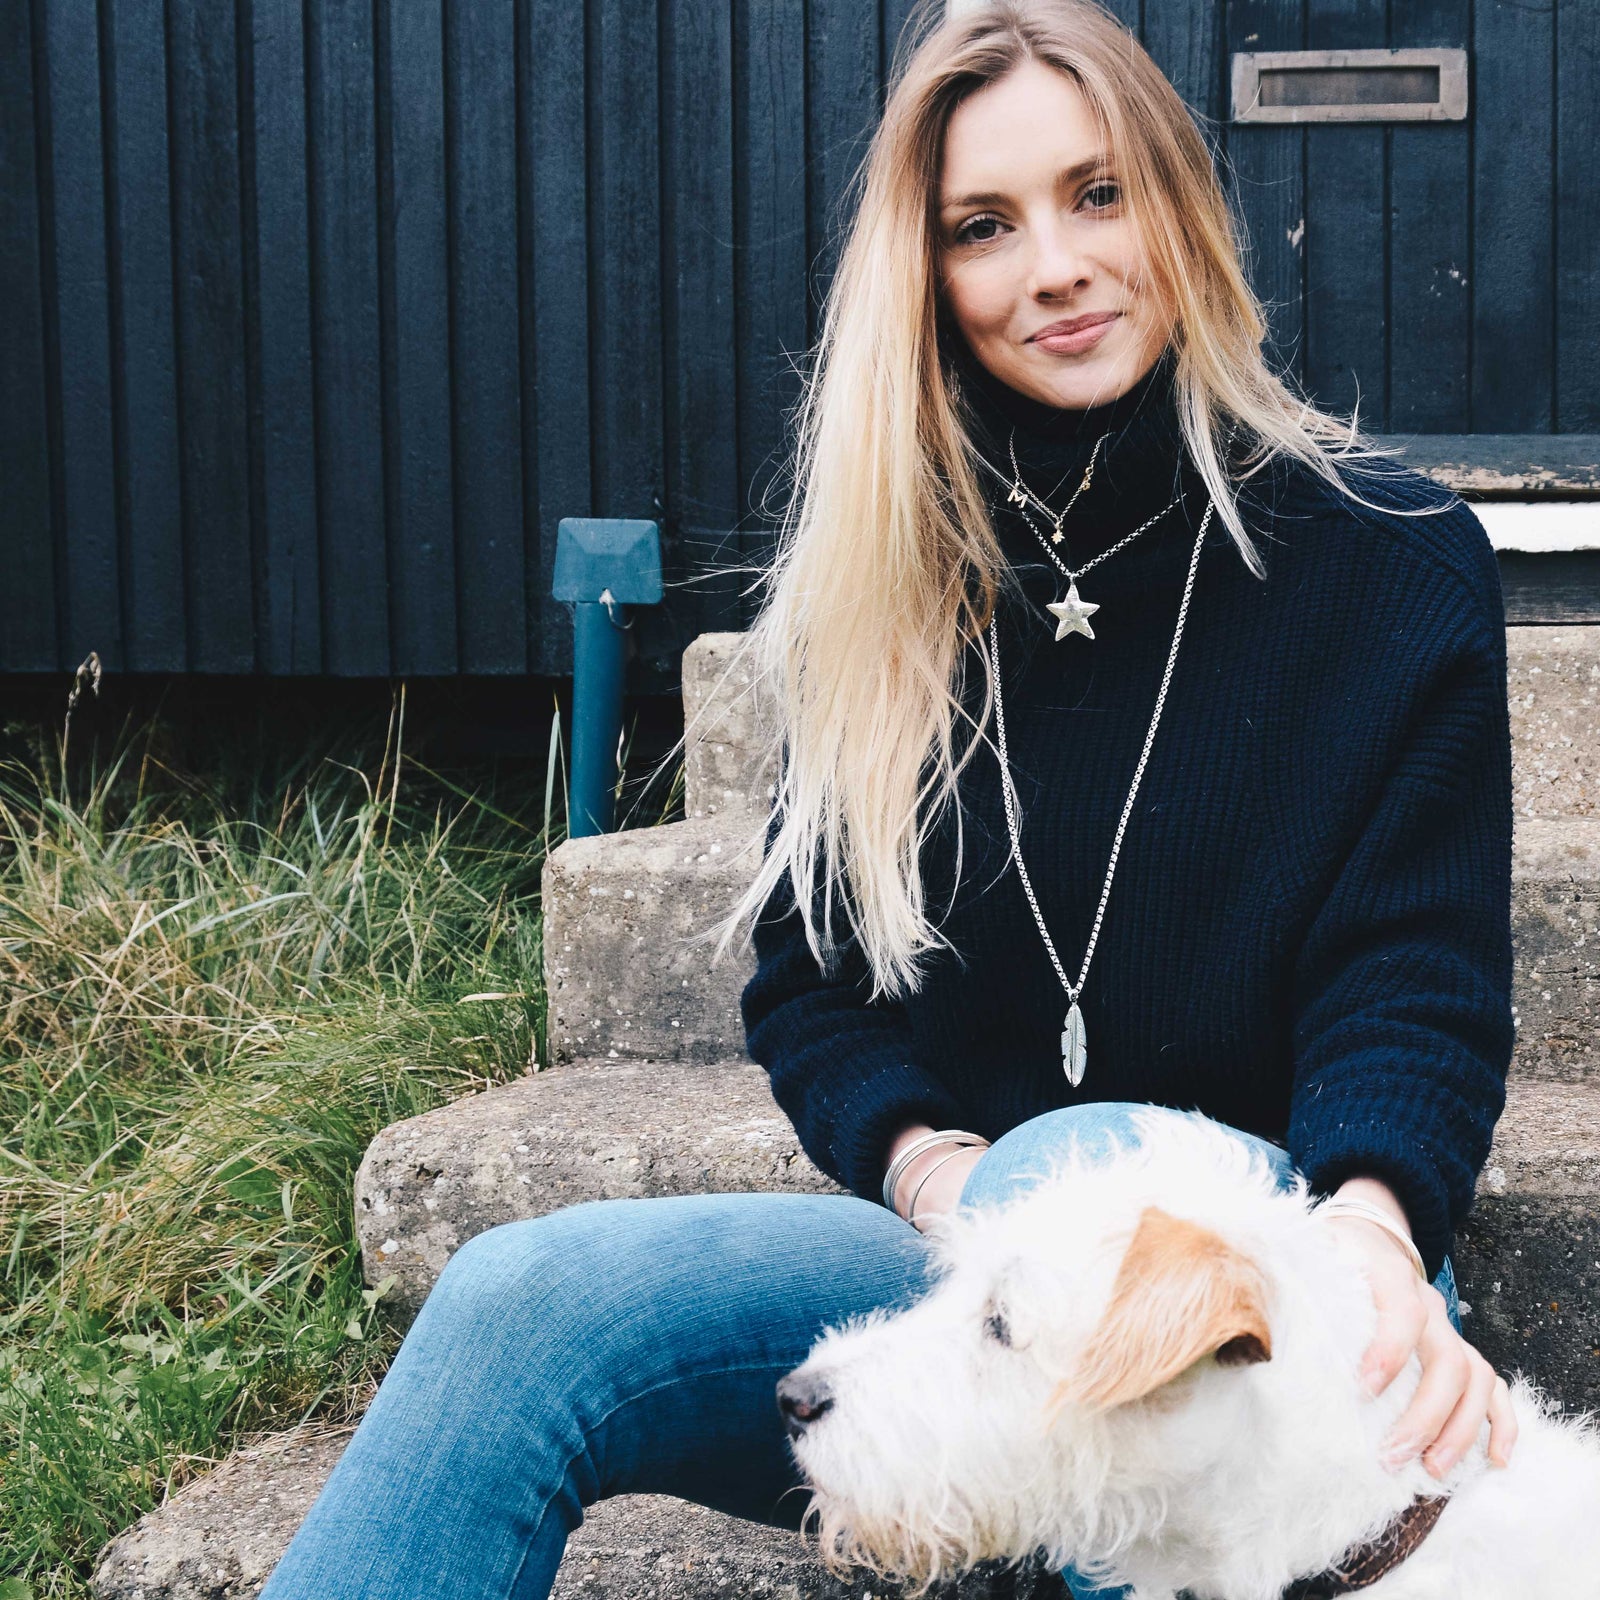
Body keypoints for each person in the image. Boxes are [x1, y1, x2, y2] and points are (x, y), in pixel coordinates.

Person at [259, 4, 1517, 1597]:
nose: (1052, 264)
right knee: (519, 1303)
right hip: (971, 1283)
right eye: (983, 227)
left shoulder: (1388, 560)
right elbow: (814, 985)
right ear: (925, 278)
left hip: (1286, 1285)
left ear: (1183, 208)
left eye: (1098, 194)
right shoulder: (889, 582)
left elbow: (1419, 978)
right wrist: (954, 1185)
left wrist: (1377, 1228)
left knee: (1119, 1182)